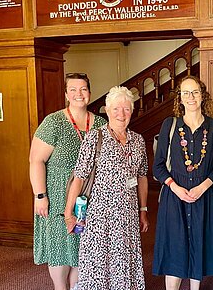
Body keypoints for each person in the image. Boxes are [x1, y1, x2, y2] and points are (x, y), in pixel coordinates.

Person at [64, 86, 149, 290]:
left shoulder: (138, 140)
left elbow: (142, 176)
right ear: (107, 110)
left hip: (127, 215)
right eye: (116, 109)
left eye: (126, 109)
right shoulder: (95, 137)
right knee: (99, 265)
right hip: (99, 216)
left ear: (132, 111)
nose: (121, 114)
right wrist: (69, 213)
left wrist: (143, 210)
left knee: (124, 262)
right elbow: (79, 176)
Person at [29, 73, 107, 290]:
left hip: (91, 194)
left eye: (83, 89)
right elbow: (36, 160)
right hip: (57, 193)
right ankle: (60, 287)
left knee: (83, 245)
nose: (78, 94)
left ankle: (77, 287)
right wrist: (40, 196)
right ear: (66, 94)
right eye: (73, 89)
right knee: (61, 245)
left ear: (89, 93)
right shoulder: (53, 122)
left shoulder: (100, 123)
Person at [153, 76, 213, 290]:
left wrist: (202, 187)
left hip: (204, 197)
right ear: (180, 98)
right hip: (174, 198)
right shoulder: (170, 125)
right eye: (186, 93)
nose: (191, 97)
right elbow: (158, 166)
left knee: (199, 246)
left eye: (195, 92)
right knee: (175, 249)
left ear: (202, 95)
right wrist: (175, 188)